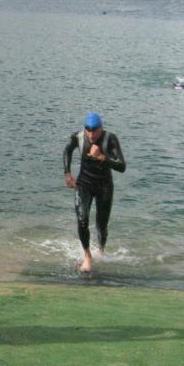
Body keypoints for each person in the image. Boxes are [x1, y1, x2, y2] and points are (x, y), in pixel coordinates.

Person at [63, 112, 126, 272]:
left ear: (101, 129)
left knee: (101, 225)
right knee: (82, 219)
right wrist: (68, 173)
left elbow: (122, 166)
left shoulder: (110, 139)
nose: (91, 135)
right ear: (85, 129)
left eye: (95, 131)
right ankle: (87, 256)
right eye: (88, 130)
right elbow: (67, 151)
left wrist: (102, 157)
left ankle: (101, 250)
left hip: (104, 186)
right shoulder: (78, 137)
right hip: (84, 184)